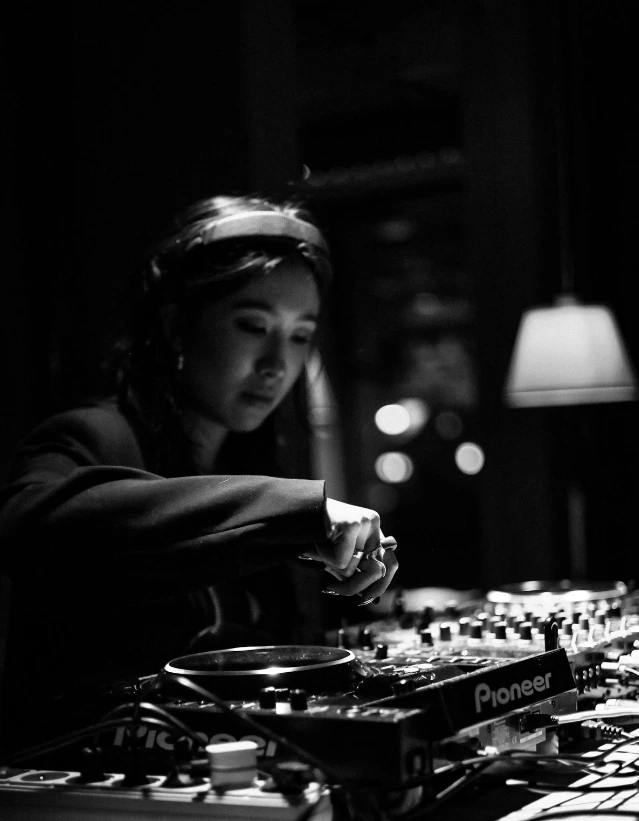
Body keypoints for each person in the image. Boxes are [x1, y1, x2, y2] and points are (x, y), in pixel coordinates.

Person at [0, 194, 398, 745]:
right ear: (175, 324)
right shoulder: (91, 436)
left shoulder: (246, 463)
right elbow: (26, 524)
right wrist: (292, 510)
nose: (278, 365)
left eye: (301, 336)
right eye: (253, 326)